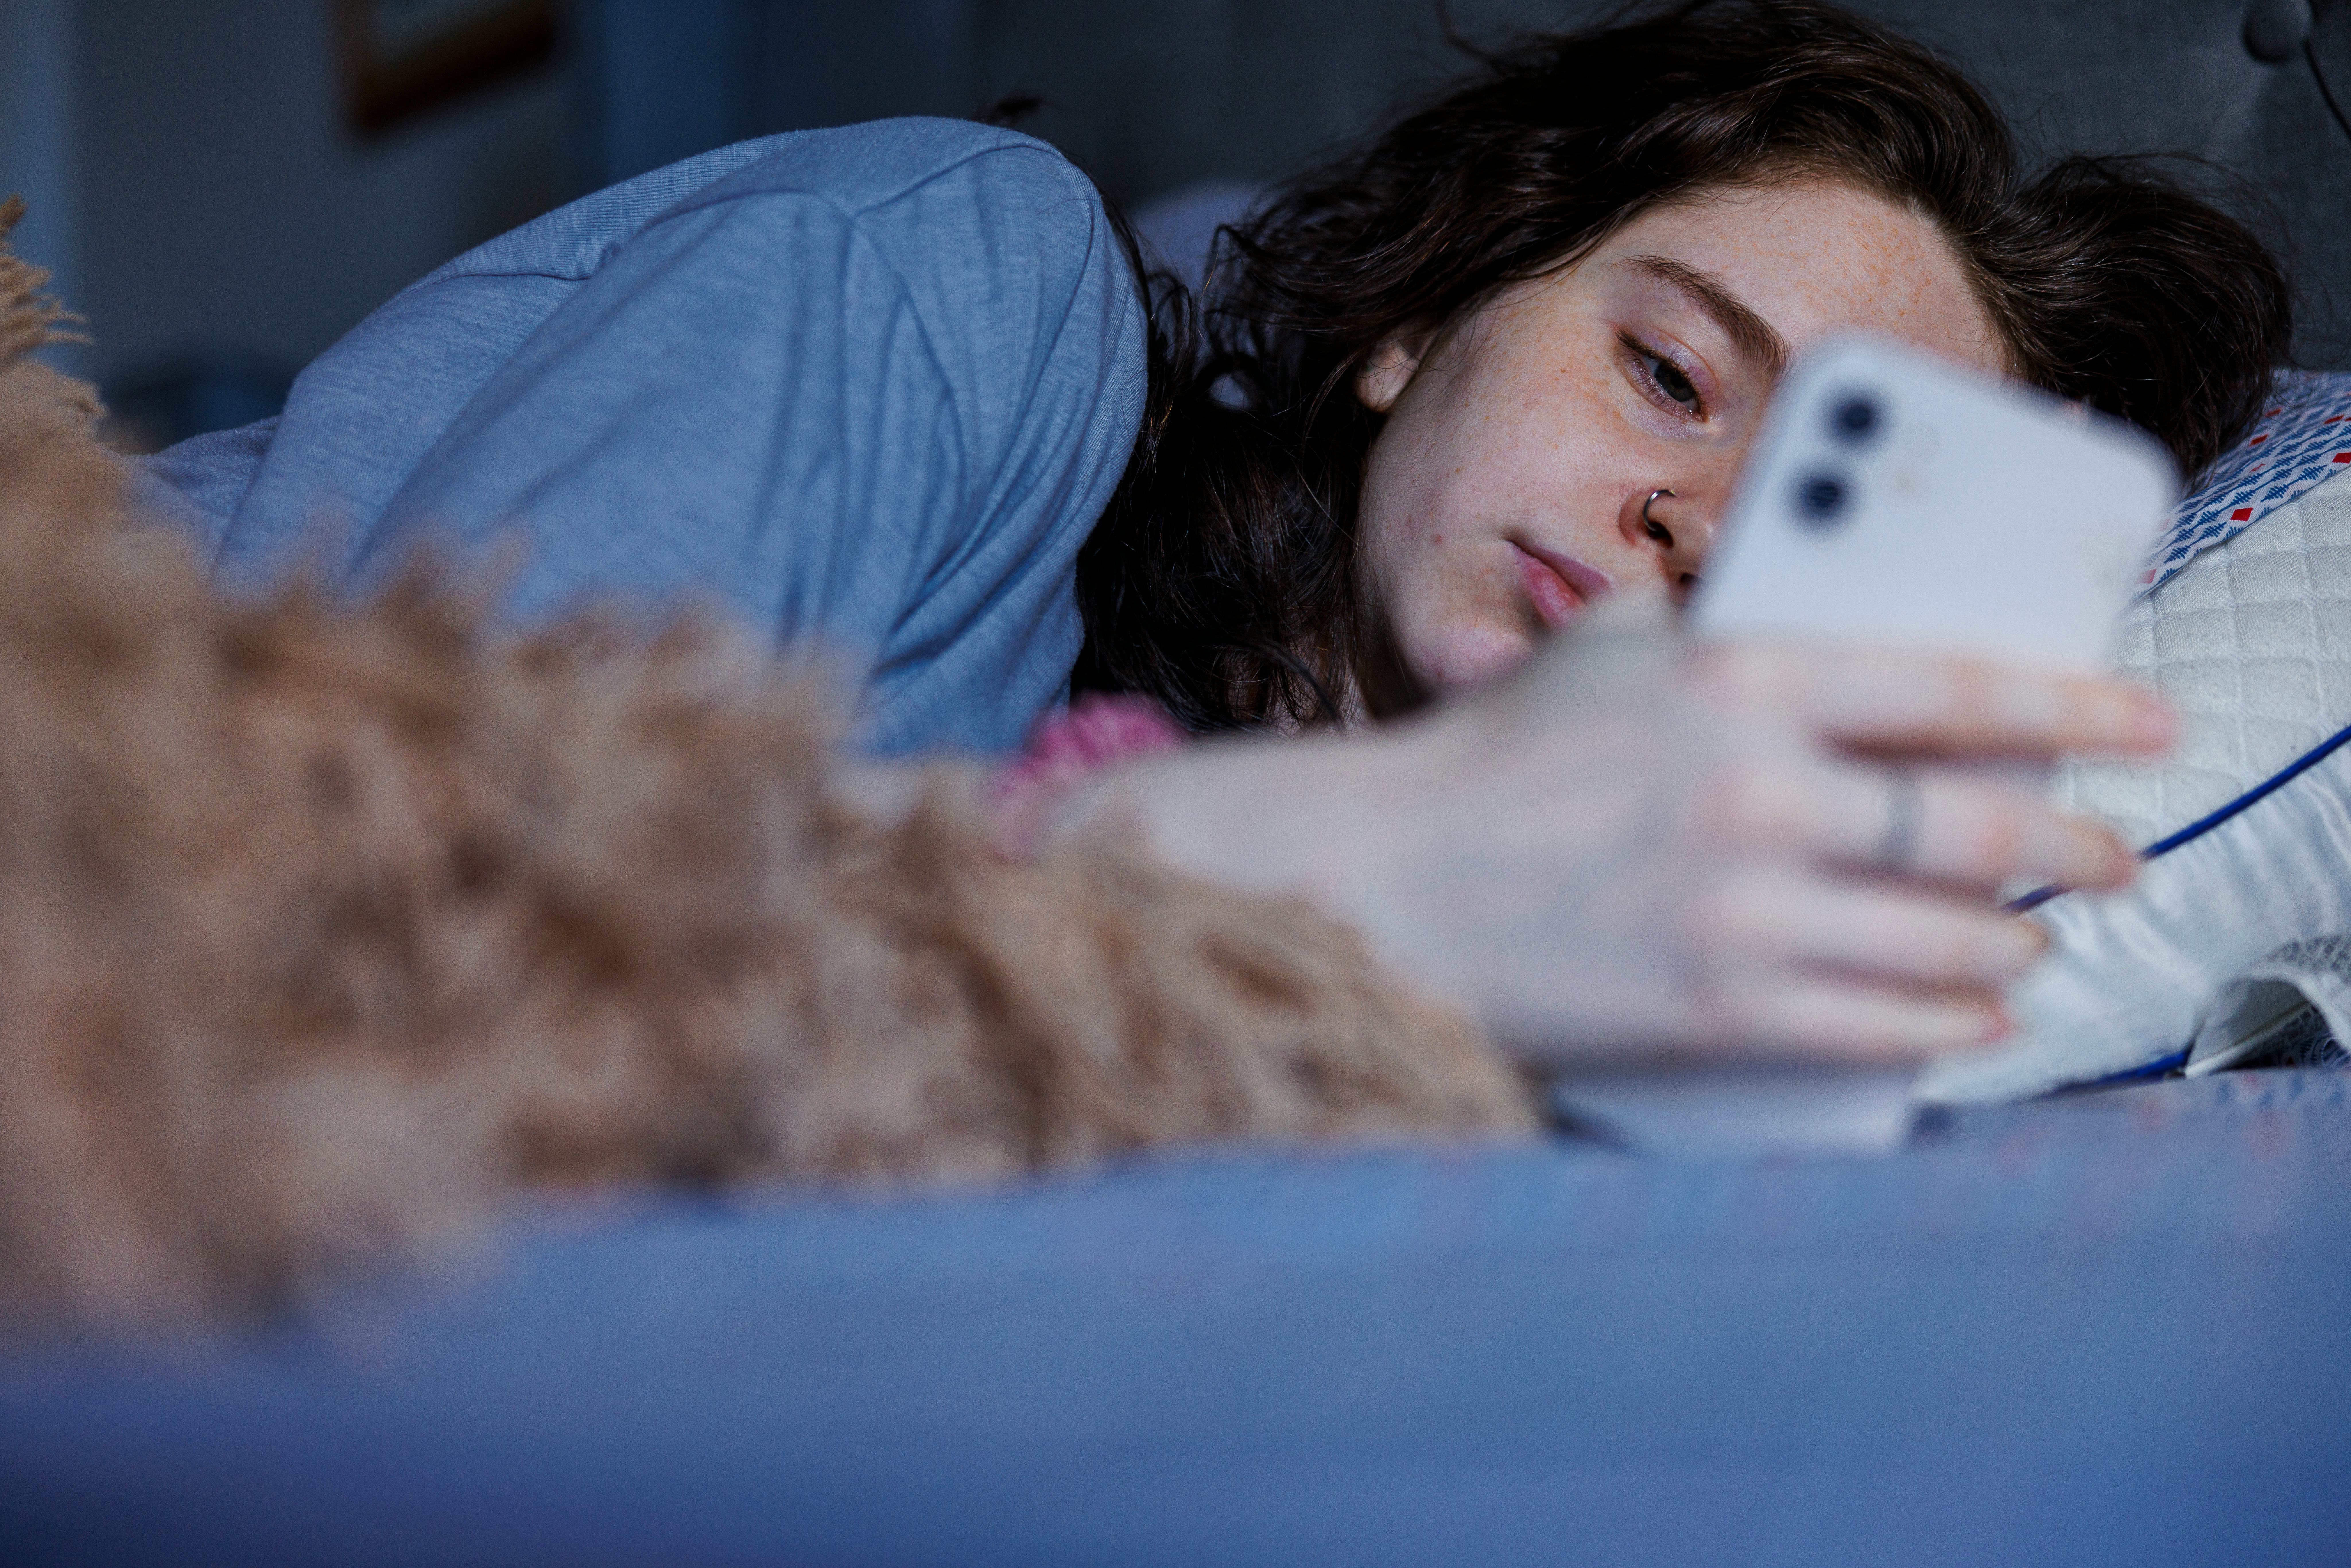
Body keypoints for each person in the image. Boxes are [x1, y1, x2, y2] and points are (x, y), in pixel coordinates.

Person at [136, 1, 2282, 1070]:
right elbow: (387, 896)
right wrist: (1288, 873)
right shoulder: (977, 274)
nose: (1697, 524)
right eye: (1666, 373)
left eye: (1833, 517)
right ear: (1424, 320)